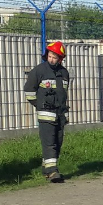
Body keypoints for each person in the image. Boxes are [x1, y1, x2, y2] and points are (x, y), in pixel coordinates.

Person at [25, 41, 71, 182]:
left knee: (58, 142)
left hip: (60, 115)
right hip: (46, 114)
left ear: (61, 59)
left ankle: (47, 168)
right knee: (49, 142)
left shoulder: (64, 73)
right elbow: (29, 91)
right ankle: (53, 172)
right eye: (50, 56)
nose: (51, 59)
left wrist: (64, 112)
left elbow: (63, 95)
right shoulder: (39, 71)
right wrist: (40, 105)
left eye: (55, 57)